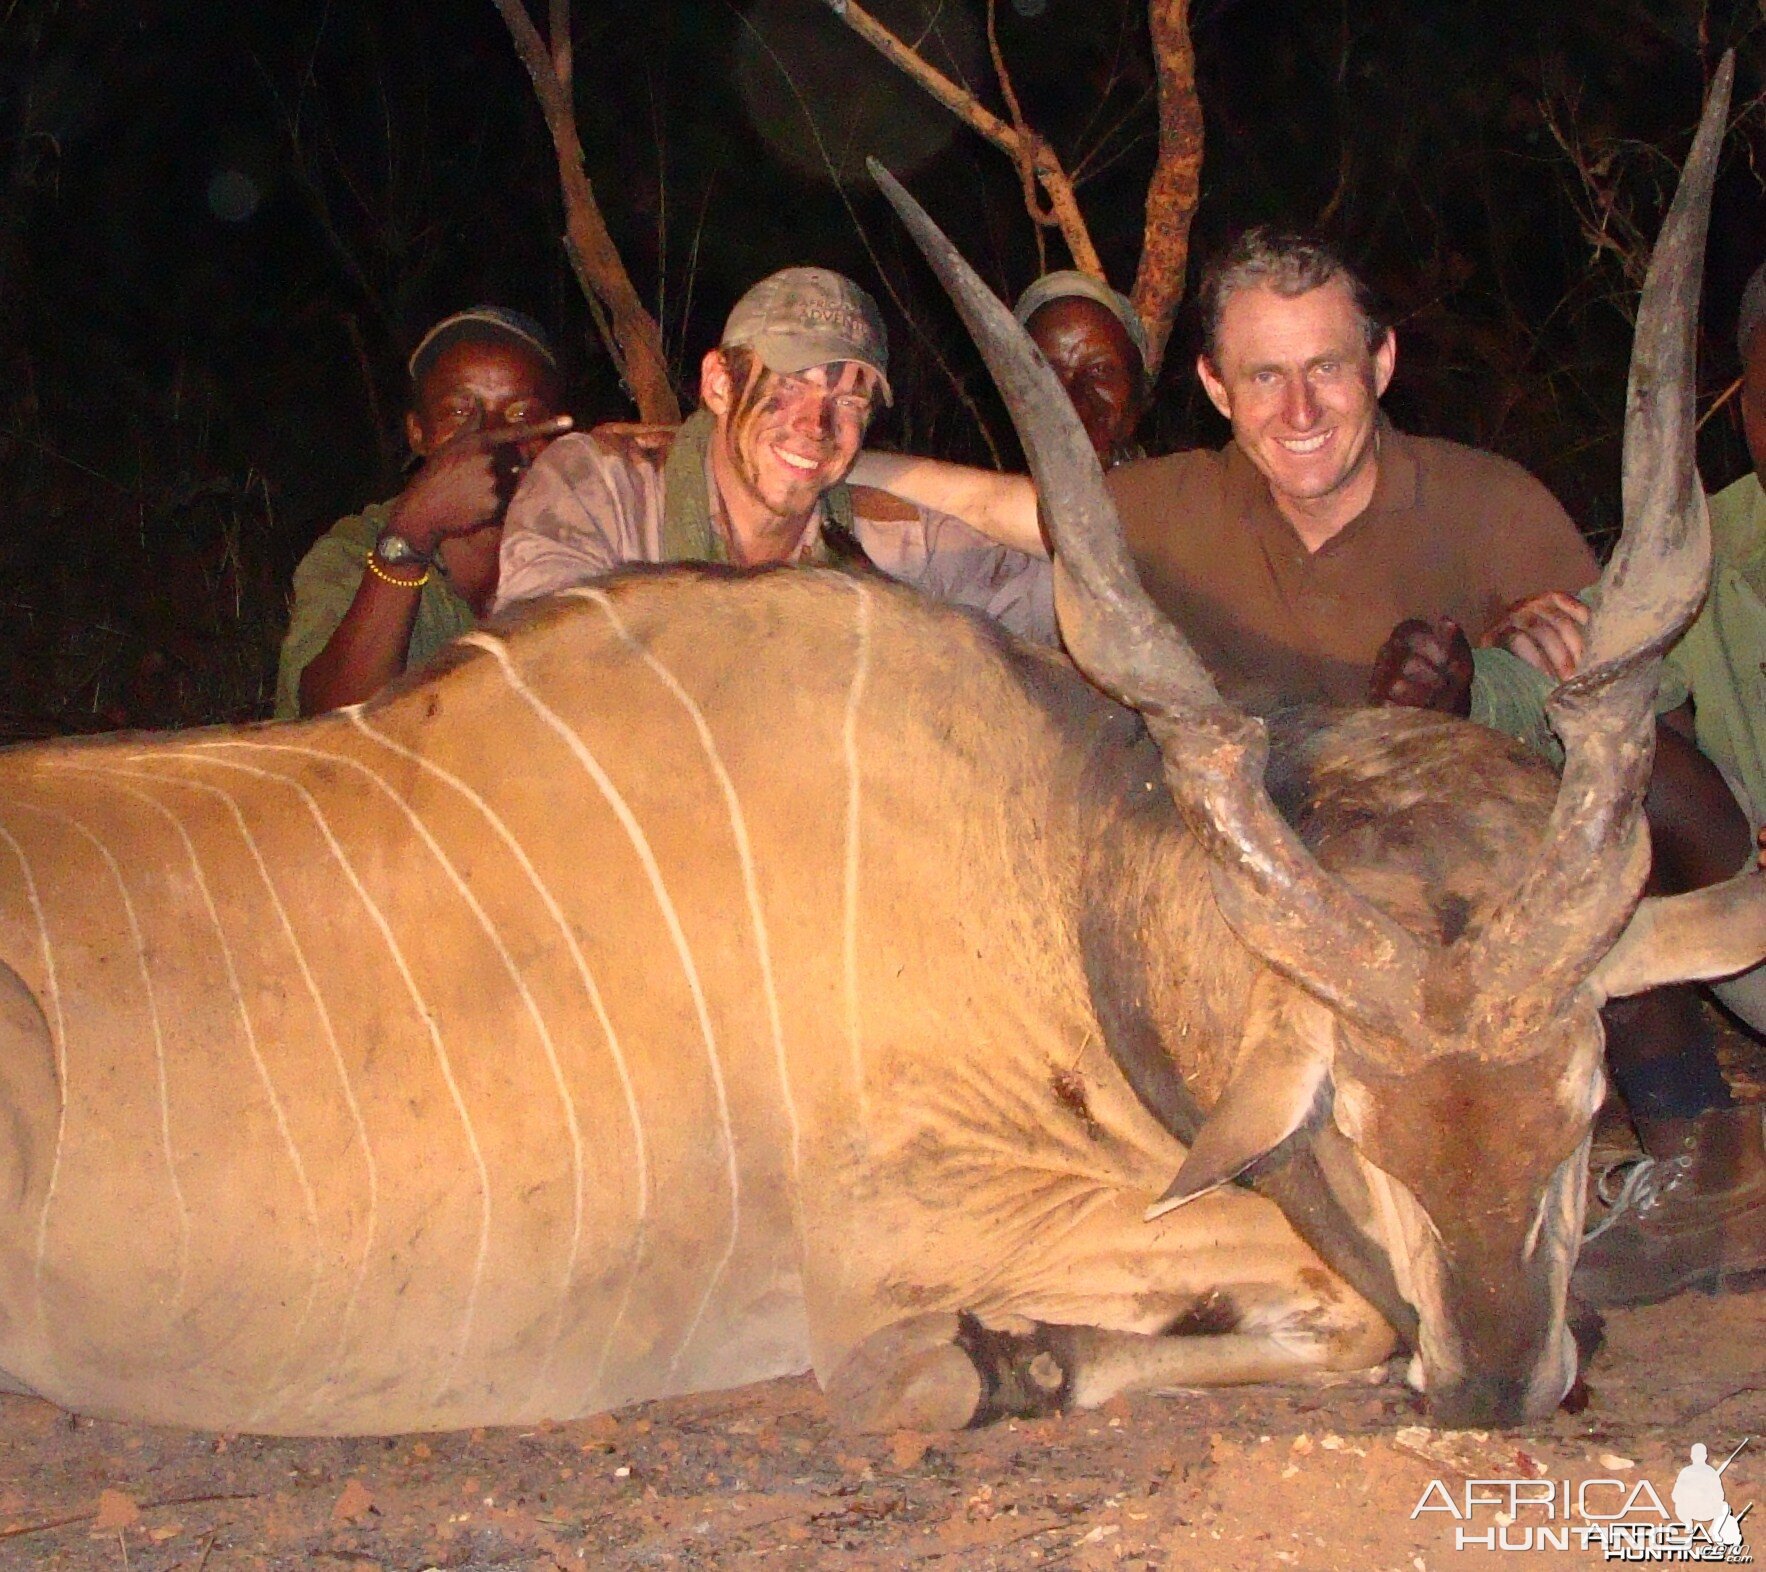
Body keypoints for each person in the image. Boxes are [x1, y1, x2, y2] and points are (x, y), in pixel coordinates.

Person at [856, 227, 1759, 1307]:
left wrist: (1495, 683)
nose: (1299, 410)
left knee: (1638, 781)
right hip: (1280, 938)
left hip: (1473, 944)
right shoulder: (1169, 507)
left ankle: (1695, 1154)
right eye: (1264, 377)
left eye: (1326, 368)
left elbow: (1618, 710)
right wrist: (828, 458)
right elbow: (1001, 506)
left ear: (1378, 365)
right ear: (1214, 388)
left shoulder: (1486, 500)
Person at [494, 268, 1054, 644]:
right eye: (788, 384)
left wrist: (877, 468)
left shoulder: (897, 538)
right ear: (719, 383)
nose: (816, 425)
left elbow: (1081, 550)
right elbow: (545, 677)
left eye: (849, 400)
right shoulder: (594, 486)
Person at [275, 307, 572, 718]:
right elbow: (328, 724)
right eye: (459, 412)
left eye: (522, 413)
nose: (490, 435)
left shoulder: (586, 537)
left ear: (557, 431)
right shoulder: (355, 548)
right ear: (418, 434)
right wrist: (414, 531)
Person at [1014, 271, 1149, 470]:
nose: (1077, 405)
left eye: (1100, 370)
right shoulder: (979, 499)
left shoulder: (1186, 492)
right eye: (1049, 374)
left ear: (1138, 388)